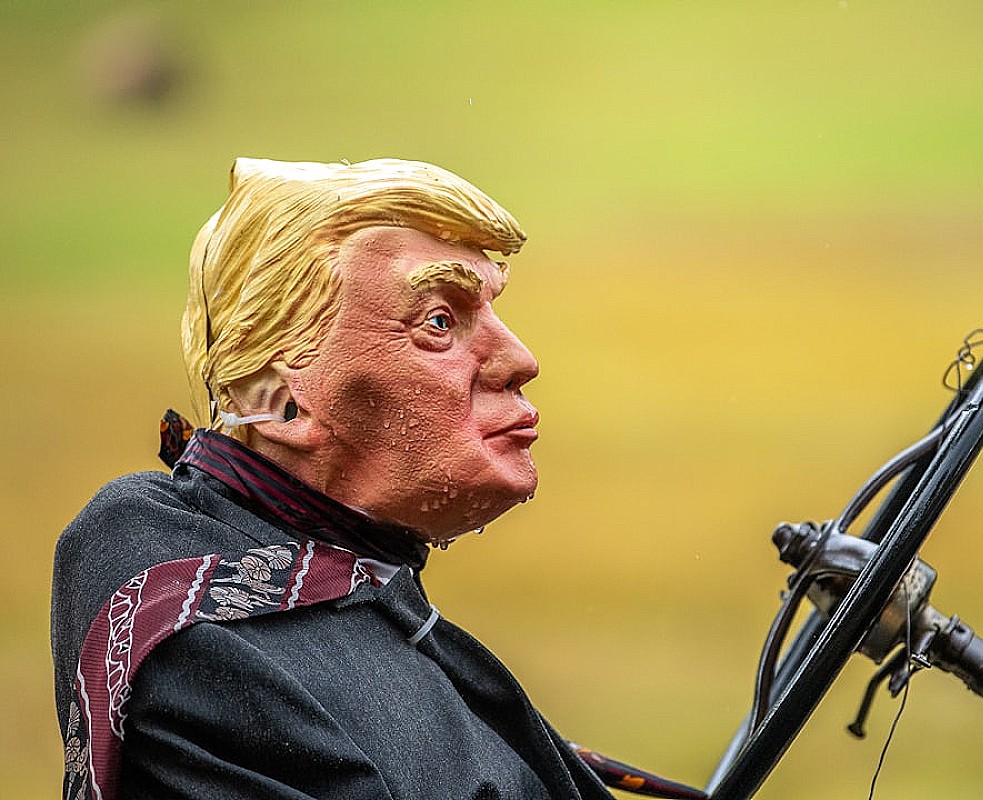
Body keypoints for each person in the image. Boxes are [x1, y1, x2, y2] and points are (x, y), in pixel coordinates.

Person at [50, 158, 622, 800]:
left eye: (490, 310)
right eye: (439, 322)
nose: (520, 359)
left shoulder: (340, 578)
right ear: (286, 405)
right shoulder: (190, 622)